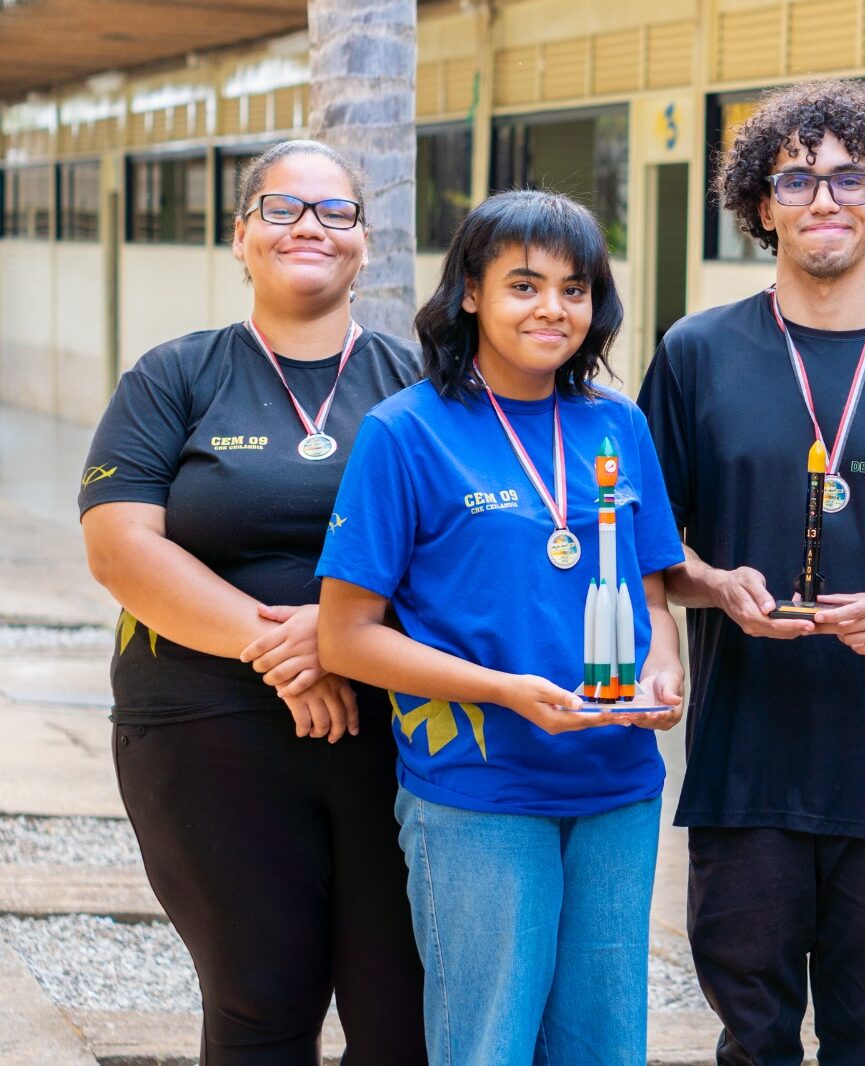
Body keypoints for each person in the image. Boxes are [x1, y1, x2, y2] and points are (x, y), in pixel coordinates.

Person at [637, 79, 865, 1064]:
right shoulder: (696, 355)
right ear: (760, 204)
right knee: (752, 1041)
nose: (823, 198)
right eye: (795, 178)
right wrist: (712, 588)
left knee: (864, 1040)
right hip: (739, 774)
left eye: (849, 178)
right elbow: (643, 542)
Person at [315, 189, 686, 1066]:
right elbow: (347, 637)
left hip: (617, 782)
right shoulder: (406, 434)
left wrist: (665, 673)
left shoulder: (617, 425)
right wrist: (503, 691)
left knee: (605, 1047)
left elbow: (653, 593)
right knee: (489, 1046)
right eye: (524, 285)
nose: (553, 308)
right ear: (471, 294)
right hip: (480, 790)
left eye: (575, 288)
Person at [78, 140, 425, 1065]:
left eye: (335, 211)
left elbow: (472, 548)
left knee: (405, 1017)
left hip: (397, 734)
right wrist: (277, 646)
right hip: (204, 731)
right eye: (281, 208)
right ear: (241, 237)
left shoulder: (421, 384)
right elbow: (120, 547)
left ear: (365, 243)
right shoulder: (176, 376)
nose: (309, 225)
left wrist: (346, 634)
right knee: (259, 1006)